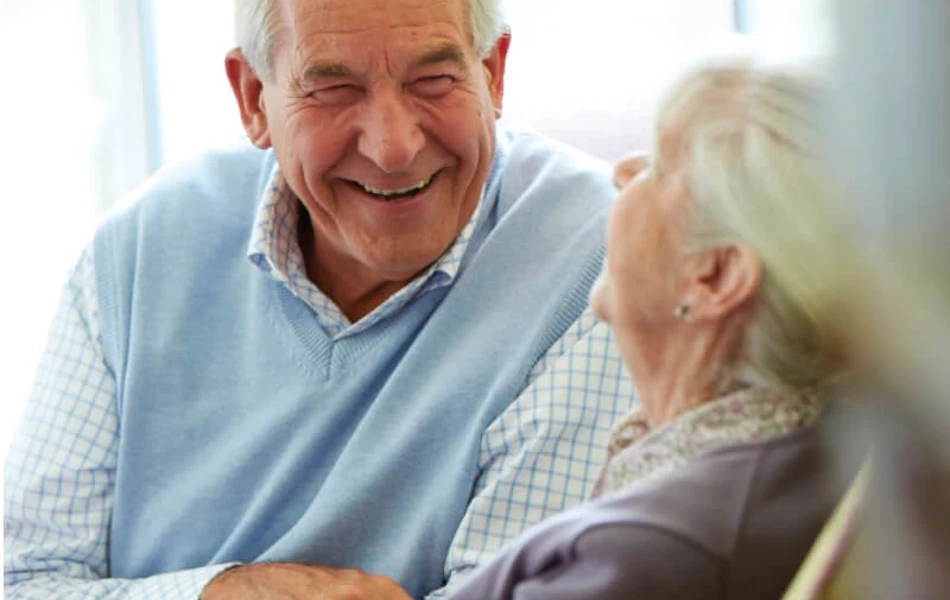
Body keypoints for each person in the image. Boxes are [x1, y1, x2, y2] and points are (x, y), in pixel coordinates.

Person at [3, 0, 635, 598]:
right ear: (253, 98)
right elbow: (24, 579)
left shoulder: (606, 263)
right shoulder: (139, 252)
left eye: (434, 80)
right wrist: (222, 592)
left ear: (492, 74)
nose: (393, 147)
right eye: (333, 89)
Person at [446, 49, 862, 600]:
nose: (622, 171)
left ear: (714, 276)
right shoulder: (824, 441)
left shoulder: (651, 553)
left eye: (659, 166)